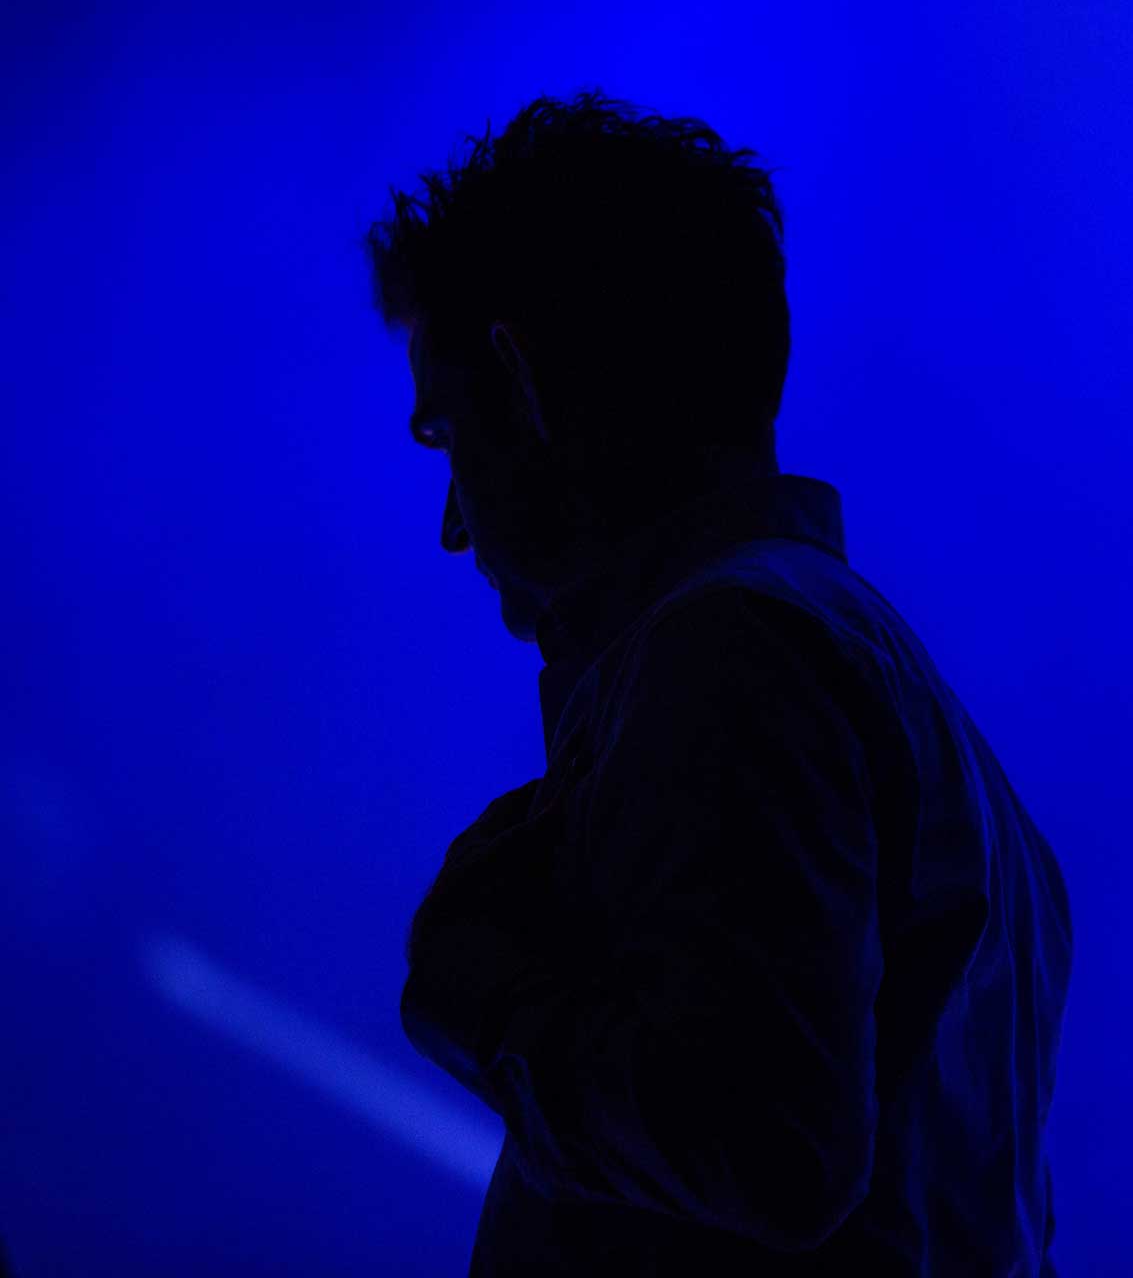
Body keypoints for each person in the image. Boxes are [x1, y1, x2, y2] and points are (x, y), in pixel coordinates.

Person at [365, 90, 1073, 1275]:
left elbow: (770, 1149)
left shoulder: (732, 653)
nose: (451, 524)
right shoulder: (888, 694)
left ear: (523, 385)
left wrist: (482, 995)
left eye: (450, 439)